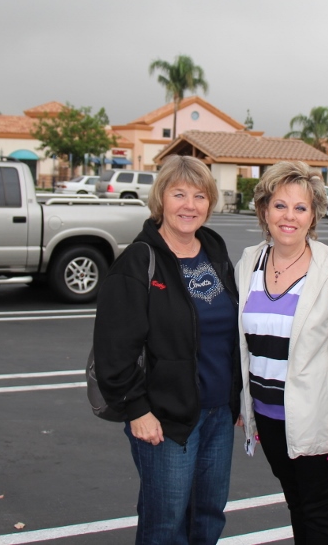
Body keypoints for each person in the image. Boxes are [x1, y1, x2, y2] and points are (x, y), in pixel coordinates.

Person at [93, 155, 241, 545]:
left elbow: (229, 334)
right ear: (161, 199)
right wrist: (137, 409)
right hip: (165, 420)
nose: (189, 205)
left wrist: (237, 400)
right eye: (179, 194)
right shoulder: (139, 260)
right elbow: (113, 348)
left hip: (218, 415)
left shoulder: (214, 249)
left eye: (199, 196)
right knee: (166, 524)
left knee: (208, 516)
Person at [237, 161, 328, 544]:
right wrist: (246, 407)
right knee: (296, 504)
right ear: (264, 211)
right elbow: (242, 347)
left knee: (318, 511)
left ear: (313, 215)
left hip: (314, 419)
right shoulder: (247, 263)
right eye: (280, 205)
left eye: (300, 207)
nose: (289, 216)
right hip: (268, 417)